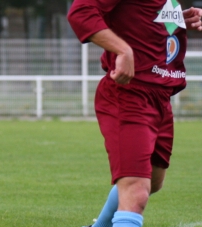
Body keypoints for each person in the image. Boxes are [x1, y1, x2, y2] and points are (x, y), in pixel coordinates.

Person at [67, 1, 202, 227]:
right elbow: (81, 12)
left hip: (160, 95)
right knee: (136, 190)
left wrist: (177, 18)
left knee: (153, 180)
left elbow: (143, 18)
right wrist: (122, 49)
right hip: (129, 93)